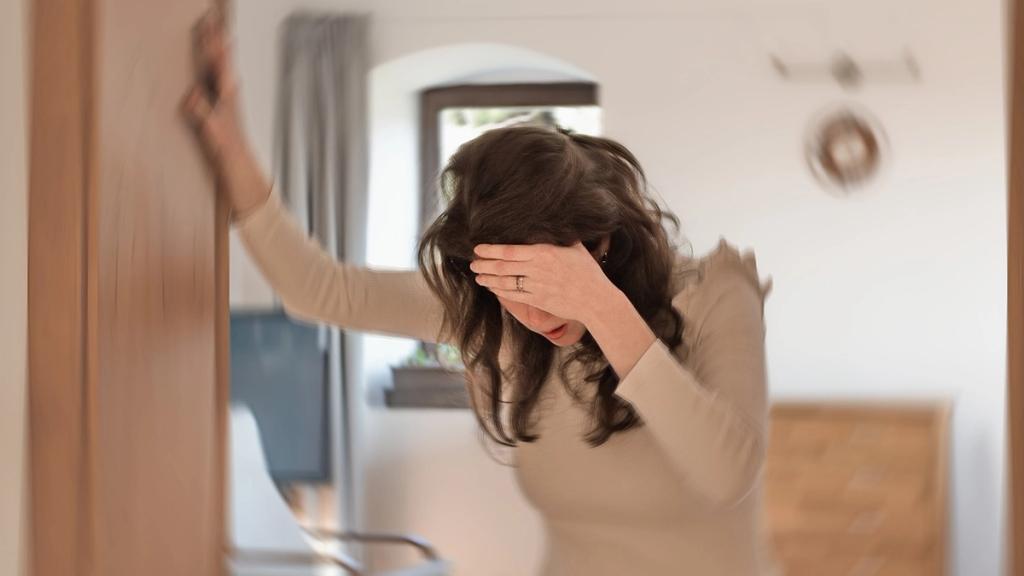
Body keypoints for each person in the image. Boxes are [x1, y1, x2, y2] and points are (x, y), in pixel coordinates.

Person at [182, 12, 774, 576]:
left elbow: (728, 473)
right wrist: (232, 144)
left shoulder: (714, 294)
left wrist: (599, 305)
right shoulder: (493, 308)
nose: (533, 313)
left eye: (546, 284)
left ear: (599, 246)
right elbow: (319, 291)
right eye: (509, 287)